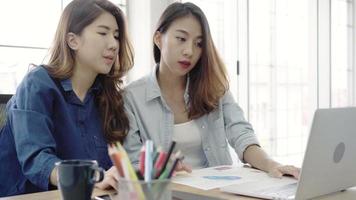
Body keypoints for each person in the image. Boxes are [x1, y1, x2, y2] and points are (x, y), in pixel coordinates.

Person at [123, 2, 300, 178]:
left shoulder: (214, 87)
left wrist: (272, 165)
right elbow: (133, 162)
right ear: (158, 39)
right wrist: (160, 167)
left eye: (199, 44)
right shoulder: (131, 97)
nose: (189, 51)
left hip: (217, 192)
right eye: (181, 39)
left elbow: (242, 135)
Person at [0, 0, 133, 196]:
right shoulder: (37, 84)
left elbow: (111, 164)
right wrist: (94, 176)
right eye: (103, 33)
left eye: (116, 36)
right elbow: (36, 160)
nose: (114, 44)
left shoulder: (106, 96)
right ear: (73, 40)